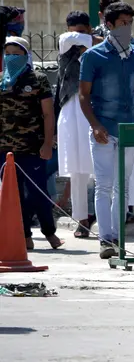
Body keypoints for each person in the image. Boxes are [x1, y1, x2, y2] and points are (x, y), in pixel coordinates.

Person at [79, 2, 134, 259]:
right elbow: (83, 96)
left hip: (129, 128)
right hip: (103, 130)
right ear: (109, 25)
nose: (127, 27)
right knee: (104, 186)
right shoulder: (92, 56)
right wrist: (95, 126)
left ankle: (118, 238)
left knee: (124, 187)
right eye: (122, 23)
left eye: (130, 23)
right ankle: (105, 239)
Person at [0, 36, 63, 250]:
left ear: (26, 55)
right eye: (7, 53)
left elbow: (47, 114)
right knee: (12, 196)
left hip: (32, 148)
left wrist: (47, 143)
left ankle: (49, 232)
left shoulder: (38, 79)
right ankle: (24, 235)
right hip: (5, 150)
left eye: (16, 54)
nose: (11, 58)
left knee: (38, 192)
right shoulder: (1, 80)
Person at [55, 11, 100, 238]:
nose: (78, 36)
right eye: (75, 31)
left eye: (83, 30)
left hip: (93, 112)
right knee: (77, 171)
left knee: (99, 169)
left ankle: (102, 220)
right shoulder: (66, 43)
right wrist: (92, 39)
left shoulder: (97, 50)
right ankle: (81, 220)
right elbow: (71, 39)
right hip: (71, 112)